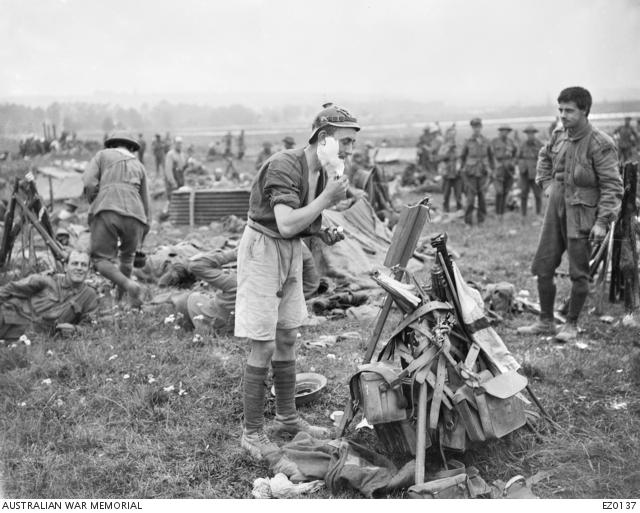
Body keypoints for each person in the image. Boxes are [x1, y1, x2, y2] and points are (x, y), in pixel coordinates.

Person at [236, 102, 358, 462]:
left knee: (288, 334)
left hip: (289, 250)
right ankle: (252, 433)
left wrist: (321, 231)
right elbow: (286, 222)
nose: (350, 151)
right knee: (264, 342)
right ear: (323, 138)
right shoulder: (285, 165)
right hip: (262, 250)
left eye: (352, 143)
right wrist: (326, 200)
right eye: (346, 142)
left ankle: (287, 417)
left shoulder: (319, 170)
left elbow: (298, 226)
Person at [517, 87, 623, 342]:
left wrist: (602, 222)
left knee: (579, 273)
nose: (563, 115)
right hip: (556, 212)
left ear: (585, 110)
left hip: (582, 216)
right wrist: (547, 184)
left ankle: (572, 324)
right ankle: (545, 321)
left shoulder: (601, 143)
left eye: (569, 110)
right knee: (543, 266)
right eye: (560, 110)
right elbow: (544, 159)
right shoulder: (558, 135)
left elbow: (612, 186)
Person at [83, 131, 149, 307]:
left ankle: (128, 285)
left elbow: (89, 182)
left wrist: (96, 200)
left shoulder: (102, 155)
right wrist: (144, 231)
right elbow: (146, 201)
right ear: (131, 148)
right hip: (136, 213)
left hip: (108, 208)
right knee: (127, 259)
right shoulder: (139, 166)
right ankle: (120, 299)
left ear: (112, 145)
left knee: (100, 259)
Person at [0, 250, 98, 341]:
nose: (79, 268)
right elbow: (11, 288)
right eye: (74, 263)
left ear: (88, 270)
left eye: (84, 265)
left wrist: (74, 329)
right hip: (11, 317)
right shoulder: (47, 280)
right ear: (65, 267)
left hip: (34, 337)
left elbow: (91, 327)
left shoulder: (89, 295)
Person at [460, 118, 495, 226]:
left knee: (482, 198)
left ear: (481, 127)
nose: (476, 129)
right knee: (470, 199)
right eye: (474, 127)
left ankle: (481, 220)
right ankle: (468, 222)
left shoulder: (486, 141)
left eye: (478, 127)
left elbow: (491, 157)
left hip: (483, 173)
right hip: (471, 173)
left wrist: (492, 171)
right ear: (472, 128)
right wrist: (462, 170)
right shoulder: (468, 141)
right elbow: (462, 156)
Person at [491, 125, 518, 219]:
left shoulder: (511, 142)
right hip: (498, 169)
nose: (505, 133)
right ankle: (497, 212)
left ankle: (502, 213)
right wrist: (493, 166)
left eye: (507, 131)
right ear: (500, 132)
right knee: (499, 192)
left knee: (505, 192)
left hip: (508, 170)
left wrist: (513, 162)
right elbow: (490, 155)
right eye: (503, 131)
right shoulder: (494, 142)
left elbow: (515, 153)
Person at [517, 125, 544, 217]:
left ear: (534, 134)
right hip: (524, 173)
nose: (530, 135)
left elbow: (545, 159)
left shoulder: (540, 145)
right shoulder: (522, 145)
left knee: (538, 195)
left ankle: (538, 213)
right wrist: (521, 166)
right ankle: (523, 214)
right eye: (528, 134)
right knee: (524, 194)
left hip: (536, 173)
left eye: (532, 133)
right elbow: (518, 157)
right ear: (526, 134)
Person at [437, 126, 462, 212]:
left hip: (457, 174)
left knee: (458, 194)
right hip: (446, 173)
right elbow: (440, 157)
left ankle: (460, 210)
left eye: (453, 135)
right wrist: (448, 149)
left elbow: (461, 157)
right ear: (447, 135)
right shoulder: (443, 147)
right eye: (450, 135)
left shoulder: (458, 146)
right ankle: (445, 210)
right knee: (446, 194)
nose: (452, 136)